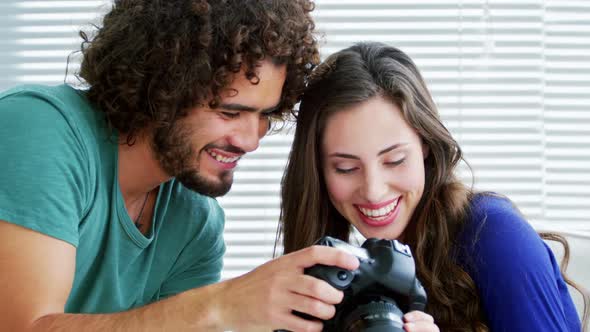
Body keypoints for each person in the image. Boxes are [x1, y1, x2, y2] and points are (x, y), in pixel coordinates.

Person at [0, 1, 364, 331]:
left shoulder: (195, 222)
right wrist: (221, 303)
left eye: (264, 115)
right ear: (163, 88)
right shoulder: (38, 128)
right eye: (229, 112)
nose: (250, 140)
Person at [279, 41, 589, 331]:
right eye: (346, 168)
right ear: (318, 169)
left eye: (395, 160)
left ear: (425, 144)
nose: (373, 190)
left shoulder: (493, 235)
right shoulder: (343, 274)